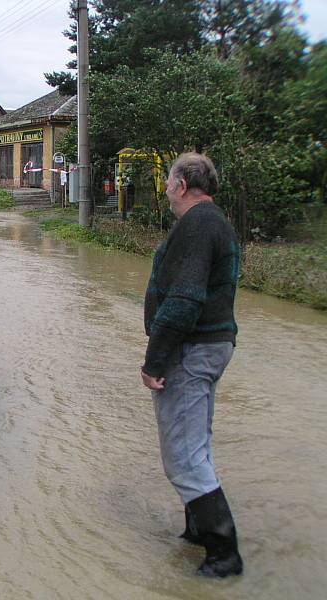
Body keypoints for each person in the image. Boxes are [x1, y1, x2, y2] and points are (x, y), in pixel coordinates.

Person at [140, 152, 243, 578]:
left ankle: (223, 556)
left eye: (168, 181)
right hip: (209, 345)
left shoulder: (198, 225)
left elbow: (183, 302)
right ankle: (198, 532)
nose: (165, 187)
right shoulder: (212, 222)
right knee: (194, 441)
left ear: (182, 185)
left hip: (191, 349)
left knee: (183, 453)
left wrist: (155, 360)